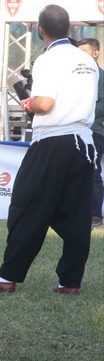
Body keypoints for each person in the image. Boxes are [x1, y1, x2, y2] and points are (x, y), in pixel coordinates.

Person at [0, 5, 99, 295]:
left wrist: (26, 102)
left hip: (52, 140)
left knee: (25, 205)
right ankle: (69, 281)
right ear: (69, 28)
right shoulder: (88, 60)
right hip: (83, 142)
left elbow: (44, 104)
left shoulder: (47, 59)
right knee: (76, 214)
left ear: (39, 29)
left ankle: (7, 276)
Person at [80, 38, 103, 227]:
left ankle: (95, 216)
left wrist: (84, 111)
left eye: (84, 51)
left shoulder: (101, 77)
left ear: (96, 53)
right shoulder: (76, 76)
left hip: (94, 130)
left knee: (94, 172)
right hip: (75, 130)